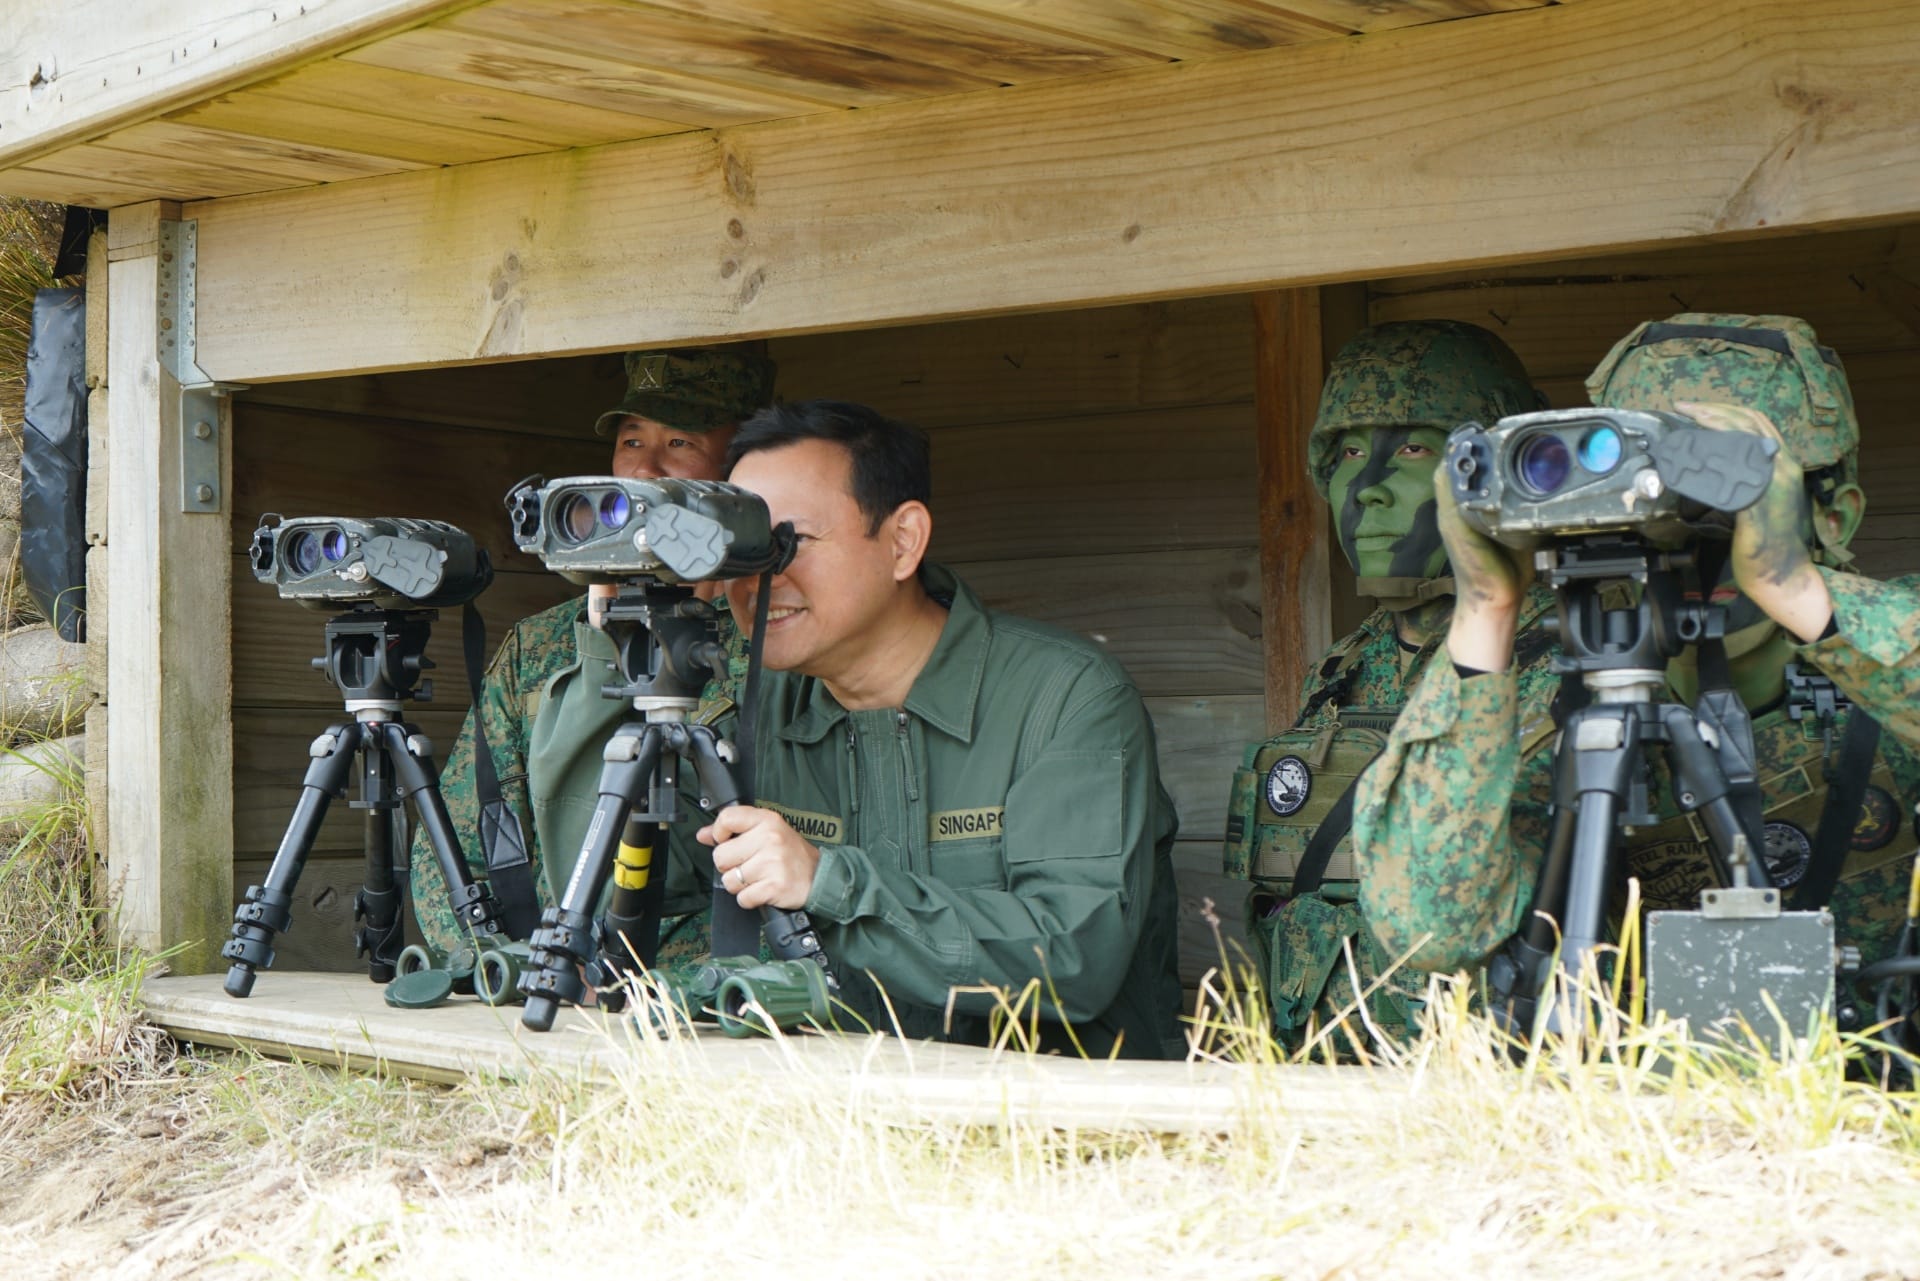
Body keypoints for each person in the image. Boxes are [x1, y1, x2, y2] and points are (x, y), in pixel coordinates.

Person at [1352, 314, 1920, 1001]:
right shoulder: (1564, 715)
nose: (1687, 531)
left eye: (1723, 485)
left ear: (1836, 516)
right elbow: (1430, 928)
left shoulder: (1892, 658)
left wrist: (1792, 584)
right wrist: (1486, 608)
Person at [696, 400, 1185, 1059]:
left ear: (902, 542)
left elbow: (1072, 957)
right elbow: (632, 918)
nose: (761, 577)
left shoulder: (1064, 697)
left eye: (789, 543)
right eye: (744, 546)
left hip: (1070, 1131)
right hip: (835, 1130)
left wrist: (829, 884)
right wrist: (608, 651)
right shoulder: (747, 710)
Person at [1221, 319, 1558, 1053]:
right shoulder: (1339, 673)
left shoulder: (1571, 663)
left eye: (1412, 449)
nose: (1366, 489)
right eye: (1345, 453)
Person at [410, 347, 775, 958]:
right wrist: (506, 965)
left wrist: (663, 993)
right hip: (547, 979)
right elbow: (450, 854)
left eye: (679, 443)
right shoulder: (540, 645)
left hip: (700, 999)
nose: (645, 471)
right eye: (632, 443)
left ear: (740, 469)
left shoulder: (772, 637)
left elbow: (794, 864)